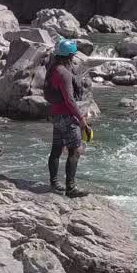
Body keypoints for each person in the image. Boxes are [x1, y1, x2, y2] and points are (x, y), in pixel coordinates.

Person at [44, 39, 93, 196]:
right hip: (67, 116)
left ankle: (54, 183)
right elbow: (69, 99)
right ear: (70, 56)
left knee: (56, 150)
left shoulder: (53, 69)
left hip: (56, 115)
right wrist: (81, 119)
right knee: (75, 151)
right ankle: (71, 188)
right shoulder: (64, 73)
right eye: (73, 55)